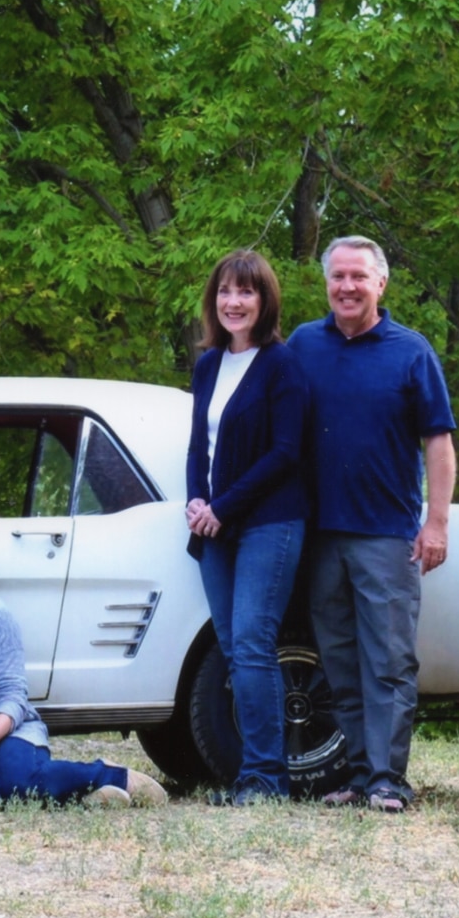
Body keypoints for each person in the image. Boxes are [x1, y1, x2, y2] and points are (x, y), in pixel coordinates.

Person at [288, 236, 456, 813]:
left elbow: (438, 442)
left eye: (359, 276)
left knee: (388, 661)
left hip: (387, 535)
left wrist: (436, 523)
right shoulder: (303, 345)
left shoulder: (411, 352)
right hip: (317, 534)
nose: (347, 287)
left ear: (381, 283)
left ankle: (388, 780)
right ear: (326, 283)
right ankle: (358, 778)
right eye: (338, 277)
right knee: (338, 662)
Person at [0, 509, 162, 807]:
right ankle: (86, 799)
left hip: (6, 728)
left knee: (17, 782)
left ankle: (113, 777)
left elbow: (14, 696)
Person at [185, 248, 308, 804]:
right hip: (214, 527)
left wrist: (223, 506)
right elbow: (198, 445)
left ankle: (266, 779)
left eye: (247, 292)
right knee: (234, 648)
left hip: (267, 523)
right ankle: (250, 778)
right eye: (226, 292)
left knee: (255, 644)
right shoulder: (209, 363)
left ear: (265, 300)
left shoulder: (282, 364)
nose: (234, 302)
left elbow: (286, 453)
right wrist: (195, 500)